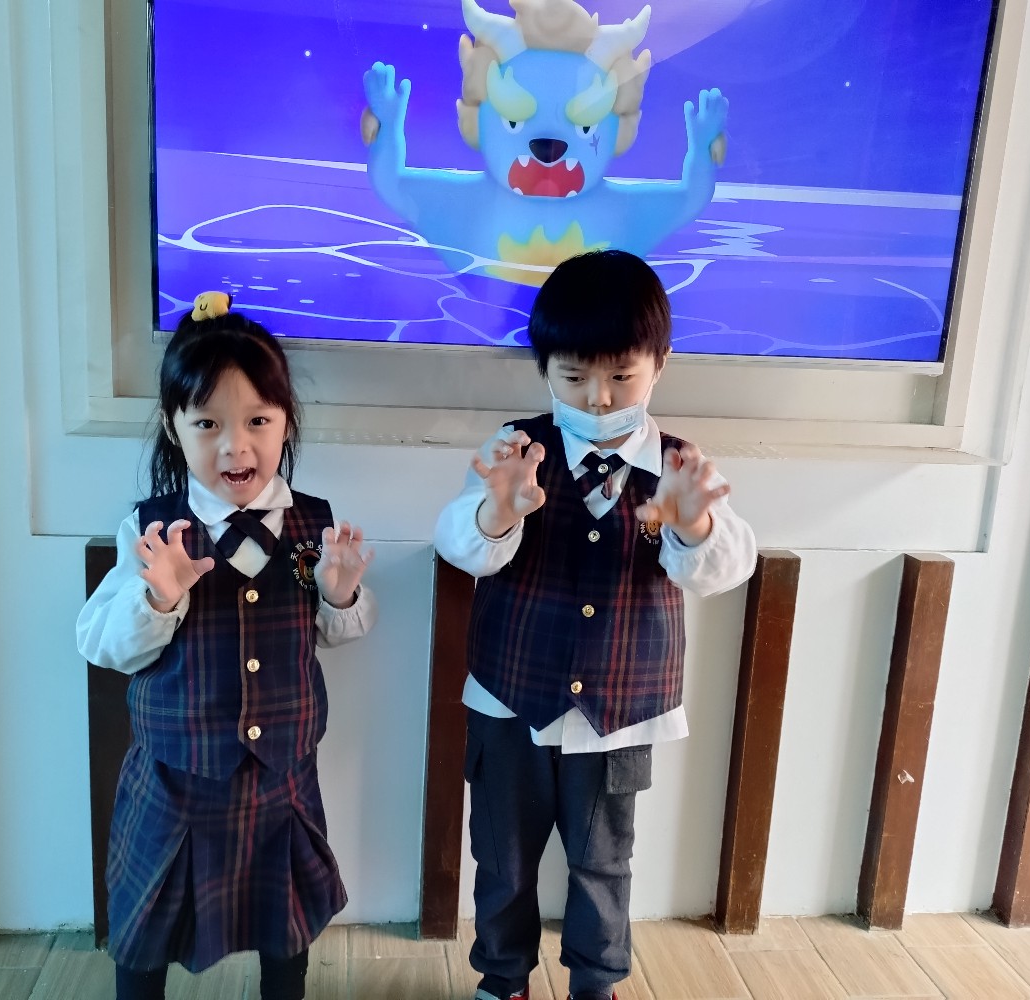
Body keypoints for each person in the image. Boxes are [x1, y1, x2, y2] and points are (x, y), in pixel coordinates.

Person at [434, 250, 757, 1000]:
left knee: (604, 864)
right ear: (544, 367)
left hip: (621, 711)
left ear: (660, 364)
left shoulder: (680, 467)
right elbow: (462, 546)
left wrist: (695, 525)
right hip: (509, 703)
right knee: (502, 858)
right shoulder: (514, 450)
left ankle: (596, 984)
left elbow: (724, 568)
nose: (599, 398)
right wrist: (497, 512)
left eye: (621, 376)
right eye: (574, 377)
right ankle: (502, 980)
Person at [77, 292, 376, 1000]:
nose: (235, 447)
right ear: (172, 426)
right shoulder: (152, 529)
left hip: (281, 780)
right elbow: (101, 644)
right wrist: (158, 600)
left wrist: (339, 596)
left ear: (285, 421)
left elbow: (337, 632)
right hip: (175, 779)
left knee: (286, 925)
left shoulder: (313, 526)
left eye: (257, 421)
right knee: (146, 925)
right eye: (207, 422)